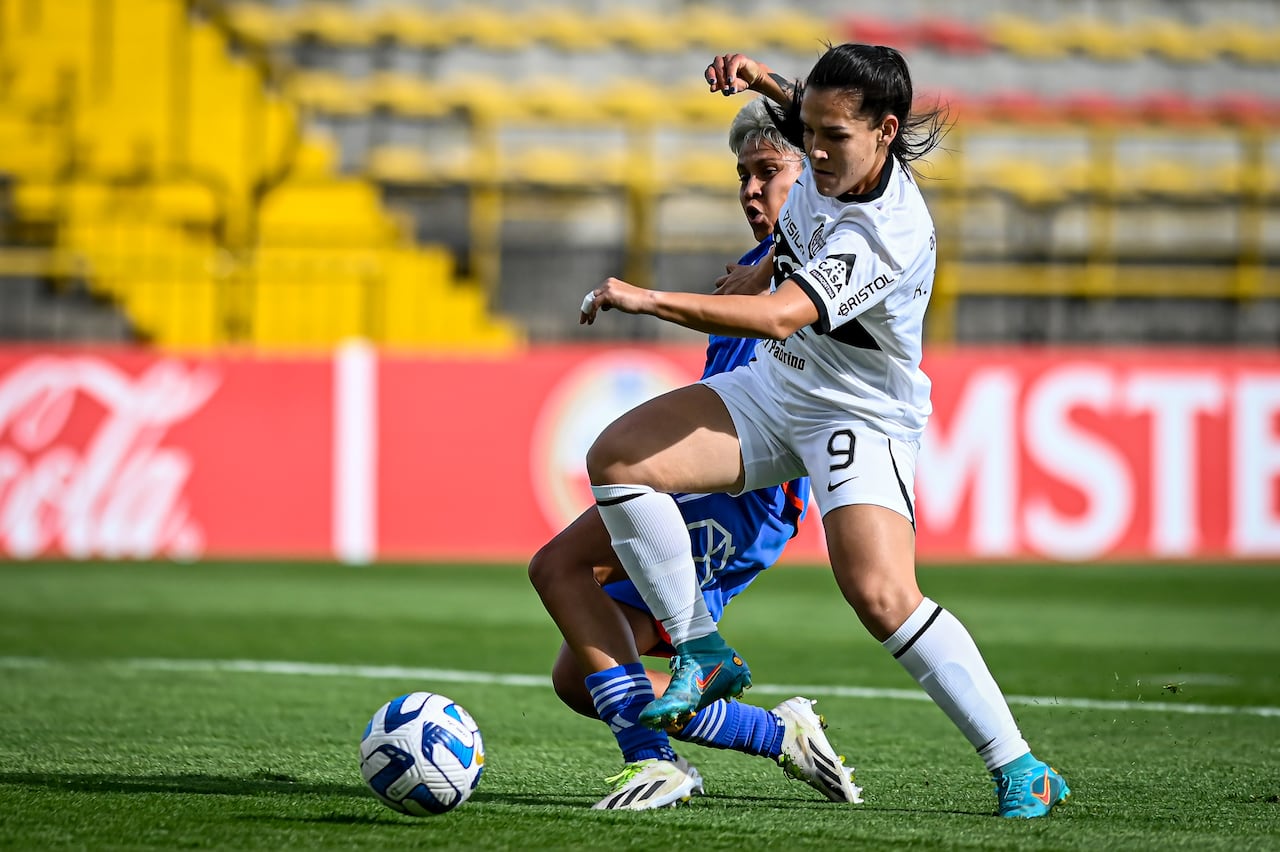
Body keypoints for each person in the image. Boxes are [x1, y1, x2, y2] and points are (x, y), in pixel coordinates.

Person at [578, 44, 1070, 819]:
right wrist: (761, 79)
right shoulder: (830, 142)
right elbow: (803, 117)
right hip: (782, 383)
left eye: (833, 137)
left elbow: (780, 315)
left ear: (885, 130)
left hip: (859, 413)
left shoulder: (888, 231)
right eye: (808, 131)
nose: (814, 150)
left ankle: (1021, 765)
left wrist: (650, 299)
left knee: (880, 594)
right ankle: (702, 651)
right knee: (617, 458)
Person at [530, 98, 862, 811]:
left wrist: (764, 263)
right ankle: (778, 736)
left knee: (558, 567)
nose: (750, 190)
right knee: (577, 672)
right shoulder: (751, 264)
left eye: (767, 173)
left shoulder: (826, 264)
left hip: (741, 497)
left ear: (811, 172)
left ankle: (655, 761)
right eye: (742, 175)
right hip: (705, 478)